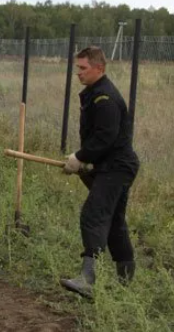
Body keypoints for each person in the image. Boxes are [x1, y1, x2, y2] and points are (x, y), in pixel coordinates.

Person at [59, 46, 141, 298]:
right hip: (113, 165)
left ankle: (88, 278)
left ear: (99, 68)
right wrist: (86, 163)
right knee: (114, 221)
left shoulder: (104, 98)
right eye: (78, 68)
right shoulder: (96, 94)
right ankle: (124, 283)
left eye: (83, 68)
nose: (78, 73)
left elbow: (106, 137)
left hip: (117, 167)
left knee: (93, 214)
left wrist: (81, 157)